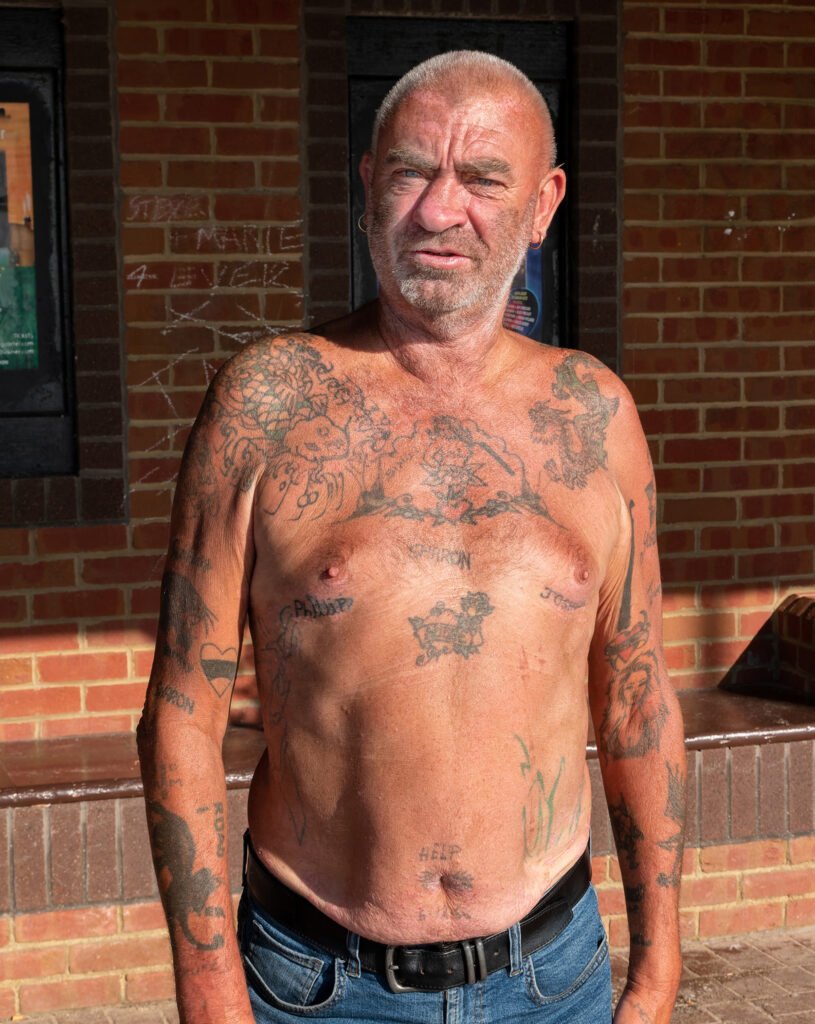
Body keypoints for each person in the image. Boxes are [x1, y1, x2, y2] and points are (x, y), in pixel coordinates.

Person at [137, 50, 686, 1024]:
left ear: (544, 200)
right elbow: (183, 706)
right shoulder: (268, 402)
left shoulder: (593, 415)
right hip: (315, 984)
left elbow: (637, 693)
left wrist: (655, 974)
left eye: (480, 178)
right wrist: (209, 989)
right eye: (408, 171)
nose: (438, 211)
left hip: (551, 979)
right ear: (365, 185)